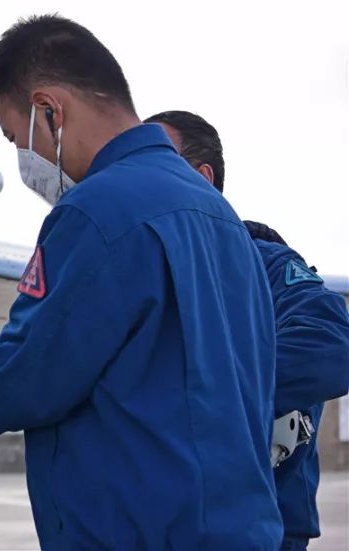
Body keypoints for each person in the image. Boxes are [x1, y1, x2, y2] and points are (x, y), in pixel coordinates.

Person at [0, 14, 282, 548]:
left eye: (17, 138)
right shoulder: (219, 216)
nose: (23, 161)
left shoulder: (97, 213)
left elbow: (22, 376)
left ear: (50, 111)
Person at [146, 109, 349, 550]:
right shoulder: (143, 273)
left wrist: (198, 394)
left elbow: (331, 347)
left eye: (154, 166)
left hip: (259, 531)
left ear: (202, 178)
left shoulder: (266, 264)